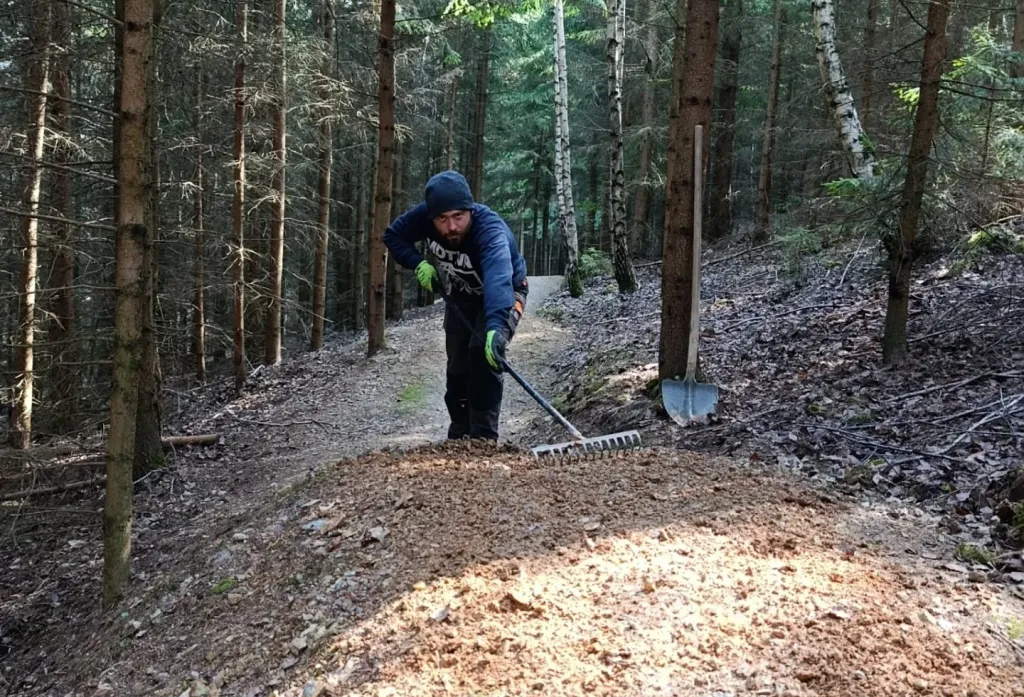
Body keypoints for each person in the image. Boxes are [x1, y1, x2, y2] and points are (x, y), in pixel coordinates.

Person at [384, 170, 528, 442]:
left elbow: (499, 279)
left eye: (458, 217)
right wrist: (417, 263)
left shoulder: (491, 232)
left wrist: (497, 327)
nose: (451, 226)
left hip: (504, 295)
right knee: (457, 368)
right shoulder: (427, 216)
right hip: (461, 293)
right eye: (443, 219)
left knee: (483, 358)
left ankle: (483, 440)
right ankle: (459, 435)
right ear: (433, 216)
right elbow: (393, 236)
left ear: (470, 211)